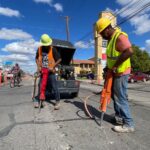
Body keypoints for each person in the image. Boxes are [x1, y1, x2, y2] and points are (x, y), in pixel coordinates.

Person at [96, 18, 134, 133]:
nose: (102, 36)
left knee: (120, 97)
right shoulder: (111, 39)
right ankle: (119, 117)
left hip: (121, 73)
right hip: (114, 72)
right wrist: (108, 68)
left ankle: (128, 124)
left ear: (107, 28)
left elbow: (129, 52)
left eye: (102, 33)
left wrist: (114, 66)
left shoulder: (119, 36)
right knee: (113, 95)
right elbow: (113, 57)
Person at [34, 34, 62, 110]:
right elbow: (36, 59)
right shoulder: (39, 49)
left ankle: (57, 102)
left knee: (54, 87)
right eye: (46, 44)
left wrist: (52, 66)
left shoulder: (53, 49)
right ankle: (41, 101)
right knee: (40, 86)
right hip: (42, 72)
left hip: (51, 72)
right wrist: (38, 66)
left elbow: (59, 59)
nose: (47, 46)